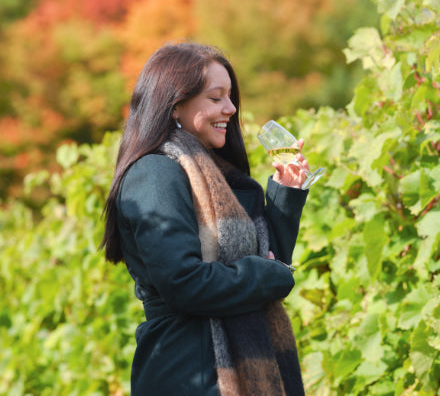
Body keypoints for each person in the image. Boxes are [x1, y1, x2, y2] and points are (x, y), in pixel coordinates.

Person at [101, 42, 309, 396]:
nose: (230, 108)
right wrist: (269, 273)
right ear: (176, 105)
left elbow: (273, 259)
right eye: (216, 98)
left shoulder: (224, 177)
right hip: (189, 372)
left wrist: (284, 193)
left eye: (230, 97)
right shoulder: (154, 173)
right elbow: (184, 281)